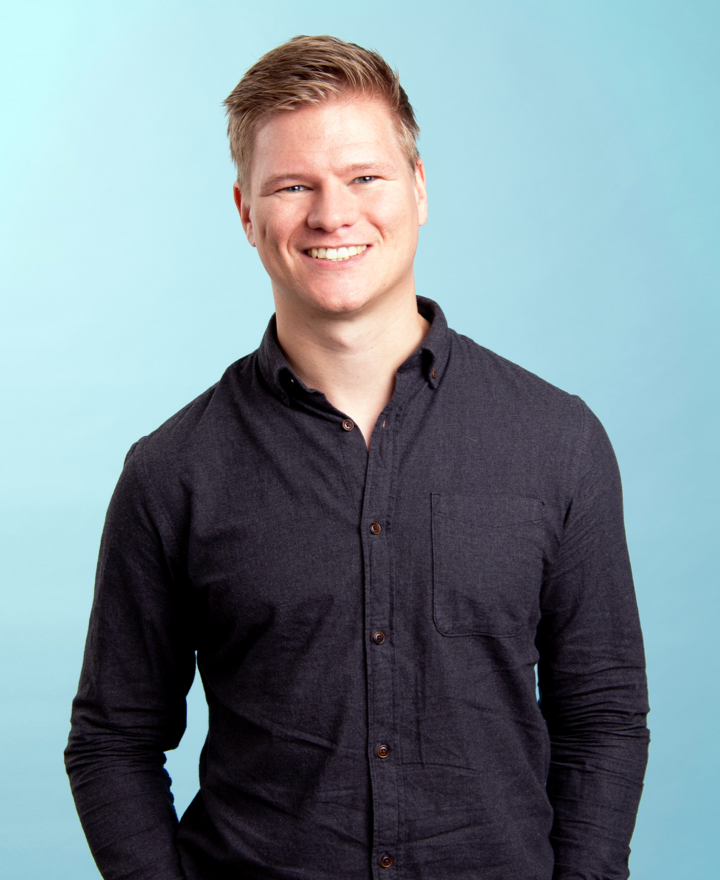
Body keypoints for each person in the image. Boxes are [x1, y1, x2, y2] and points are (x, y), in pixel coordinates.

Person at [65, 34, 649, 880]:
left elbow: (602, 716)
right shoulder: (172, 471)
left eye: (364, 177)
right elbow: (113, 741)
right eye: (292, 185)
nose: (332, 215)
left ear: (418, 189)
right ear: (245, 212)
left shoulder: (558, 441)